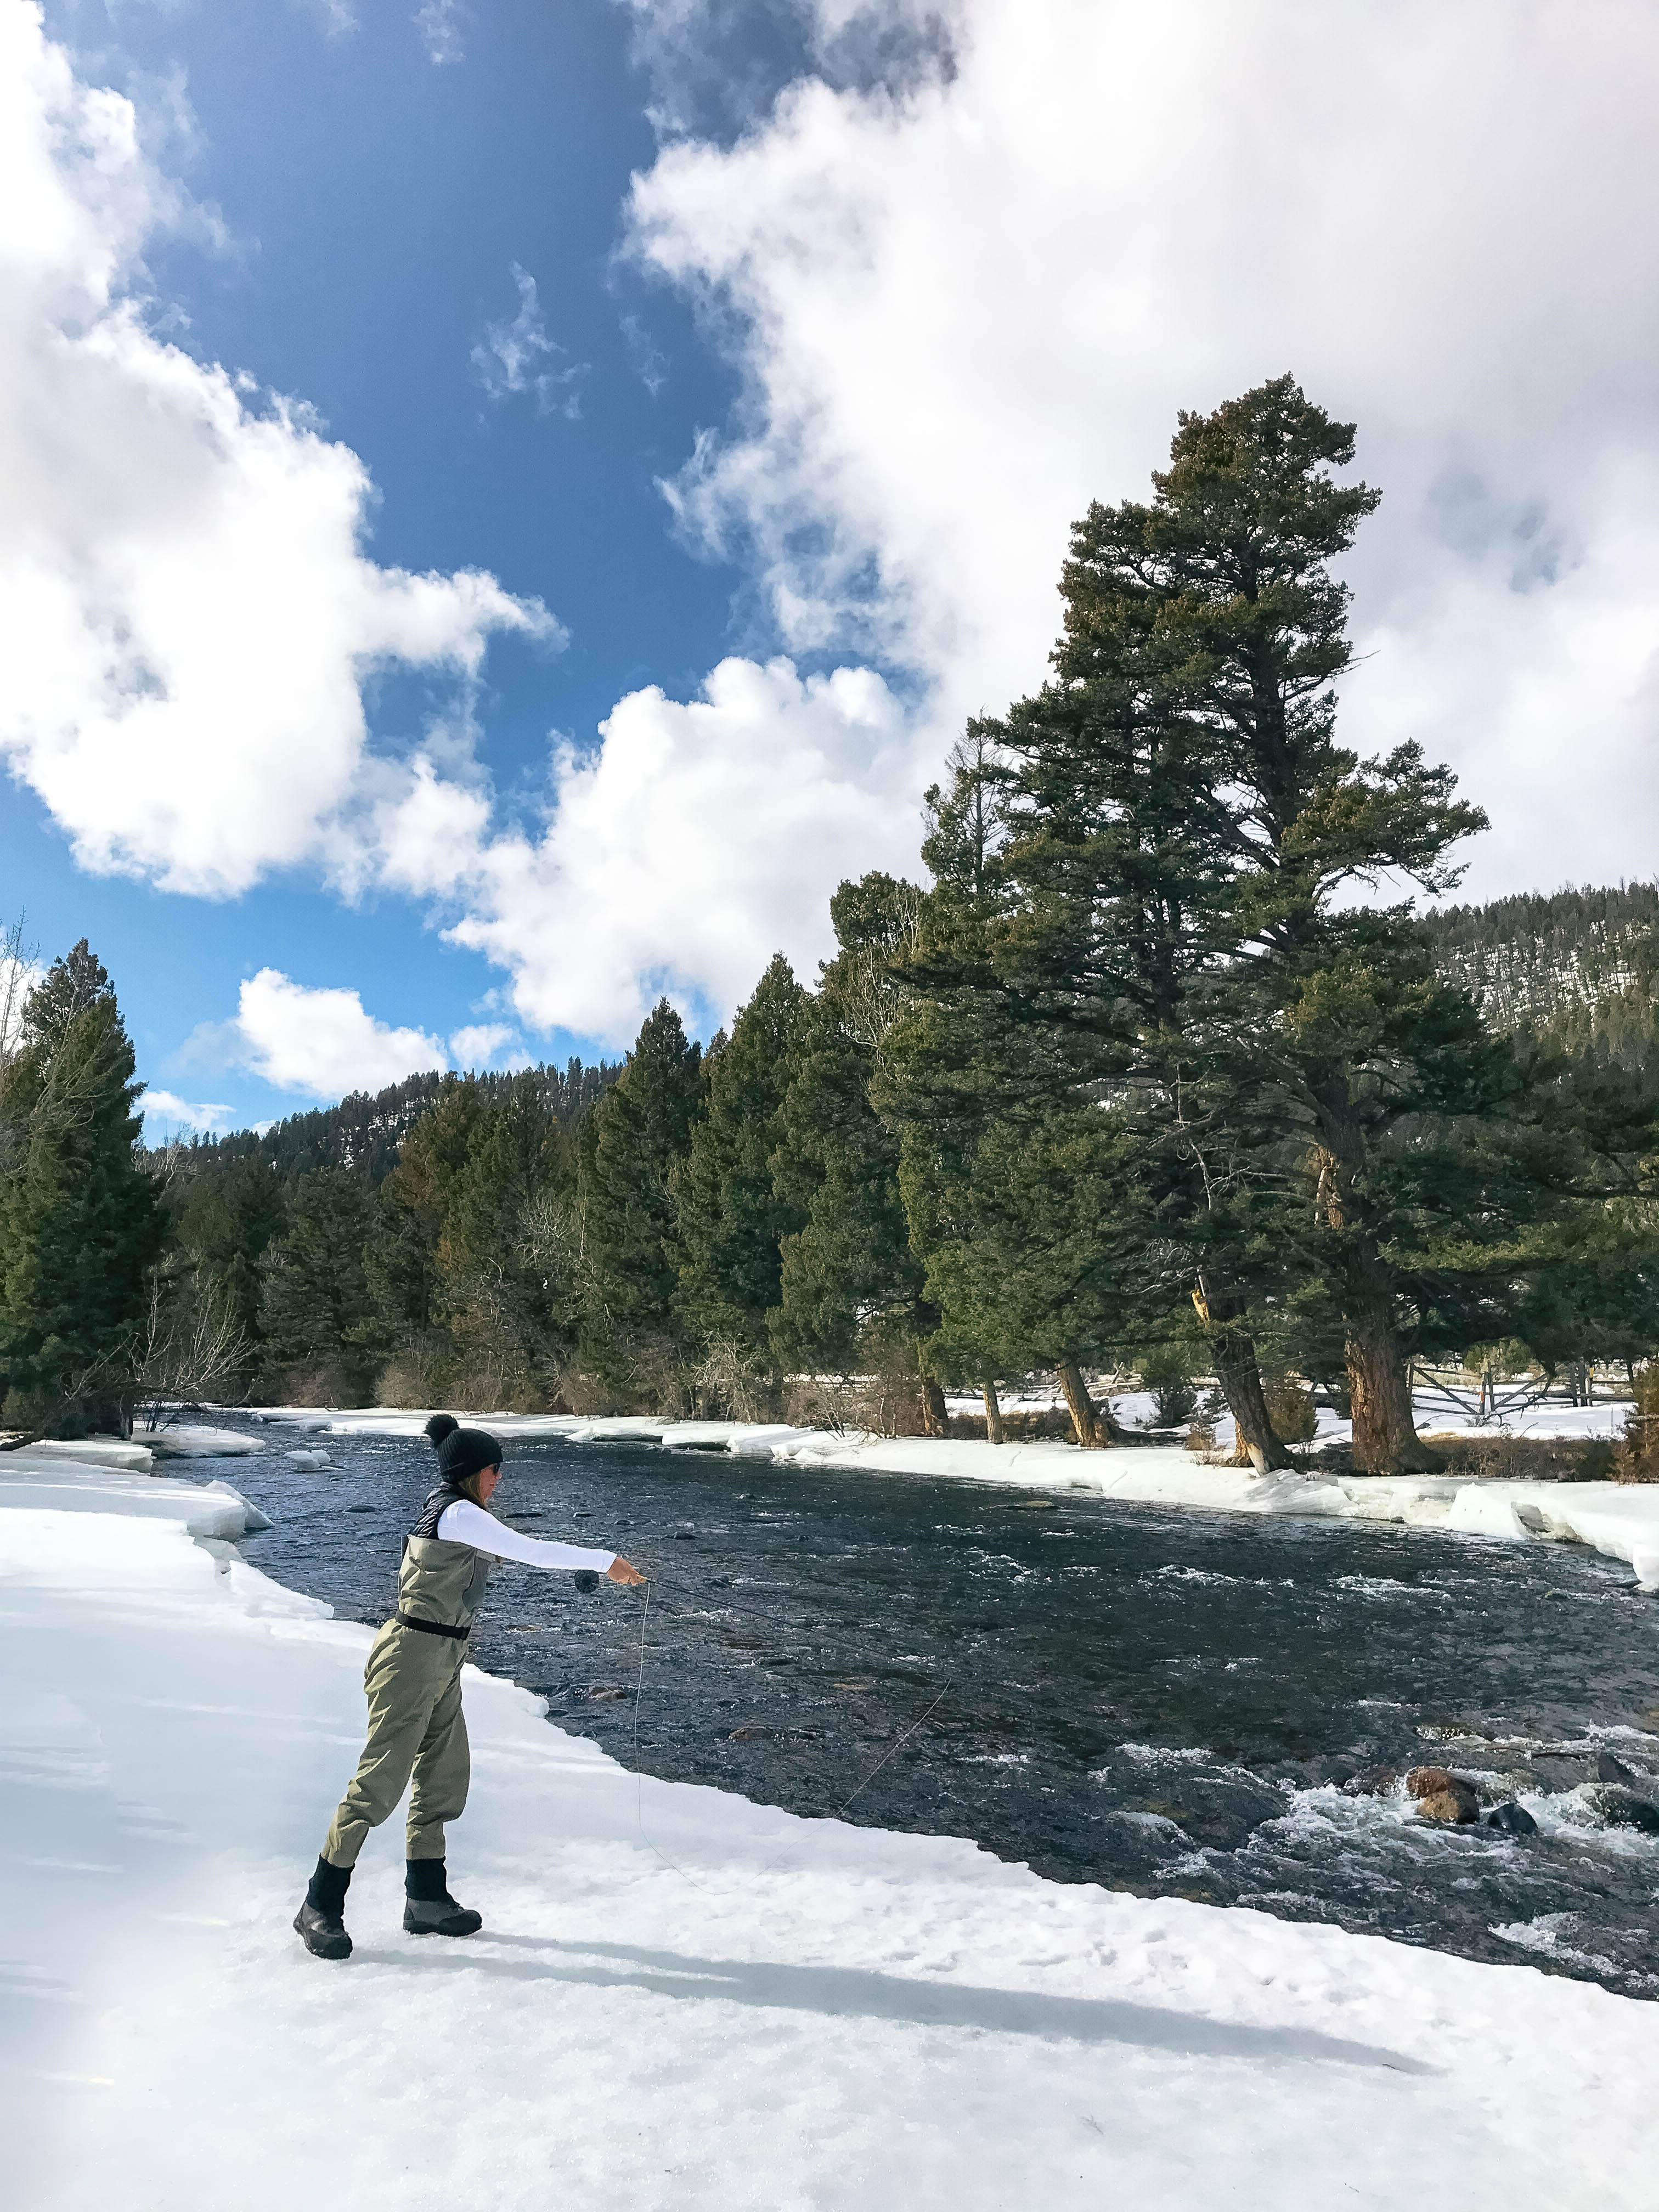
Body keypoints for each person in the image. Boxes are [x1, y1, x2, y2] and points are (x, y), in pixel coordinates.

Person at [293, 1414, 647, 1961]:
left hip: (442, 1655)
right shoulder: (459, 1512)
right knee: (379, 1784)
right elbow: (528, 1548)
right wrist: (604, 1563)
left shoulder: (461, 1513)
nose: (498, 1480)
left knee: (444, 1777)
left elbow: (504, 1552)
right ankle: (319, 1904)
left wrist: (580, 1572)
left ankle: (426, 1899)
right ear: (471, 1473)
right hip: (411, 1657)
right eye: (494, 1471)